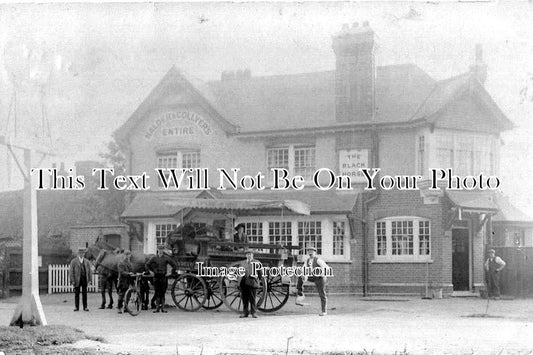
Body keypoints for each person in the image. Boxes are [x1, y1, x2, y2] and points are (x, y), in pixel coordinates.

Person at [295, 246, 330, 316]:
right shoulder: (307, 261)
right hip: (312, 276)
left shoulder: (318, 260)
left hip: (320, 278)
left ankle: (324, 311)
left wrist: (322, 274)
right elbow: (303, 269)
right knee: (300, 276)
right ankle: (300, 294)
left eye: (312, 251)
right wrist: (302, 273)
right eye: (309, 251)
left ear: (315, 252)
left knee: (322, 294)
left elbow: (327, 268)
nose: (310, 253)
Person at [146, 245, 177, 313]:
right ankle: (157, 308)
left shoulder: (166, 258)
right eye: (159, 249)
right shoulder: (154, 258)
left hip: (163, 277)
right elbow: (147, 265)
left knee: (163, 292)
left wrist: (170, 272)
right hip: (156, 277)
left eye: (162, 249)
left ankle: (162, 308)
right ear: (157, 249)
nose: (160, 251)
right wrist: (150, 272)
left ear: (163, 250)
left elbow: (174, 265)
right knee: (157, 292)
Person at [239, 249, 262, 318]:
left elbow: (260, 273)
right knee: (244, 298)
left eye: (250, 254)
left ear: (253, 255)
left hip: (252, 282)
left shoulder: (257, 262)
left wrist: (258, 280)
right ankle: (245, 312)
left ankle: (253, 313)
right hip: (244, 282)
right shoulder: (242, 263)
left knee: (252, 298)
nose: (249, 255)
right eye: (248, 254)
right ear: (246, 255)